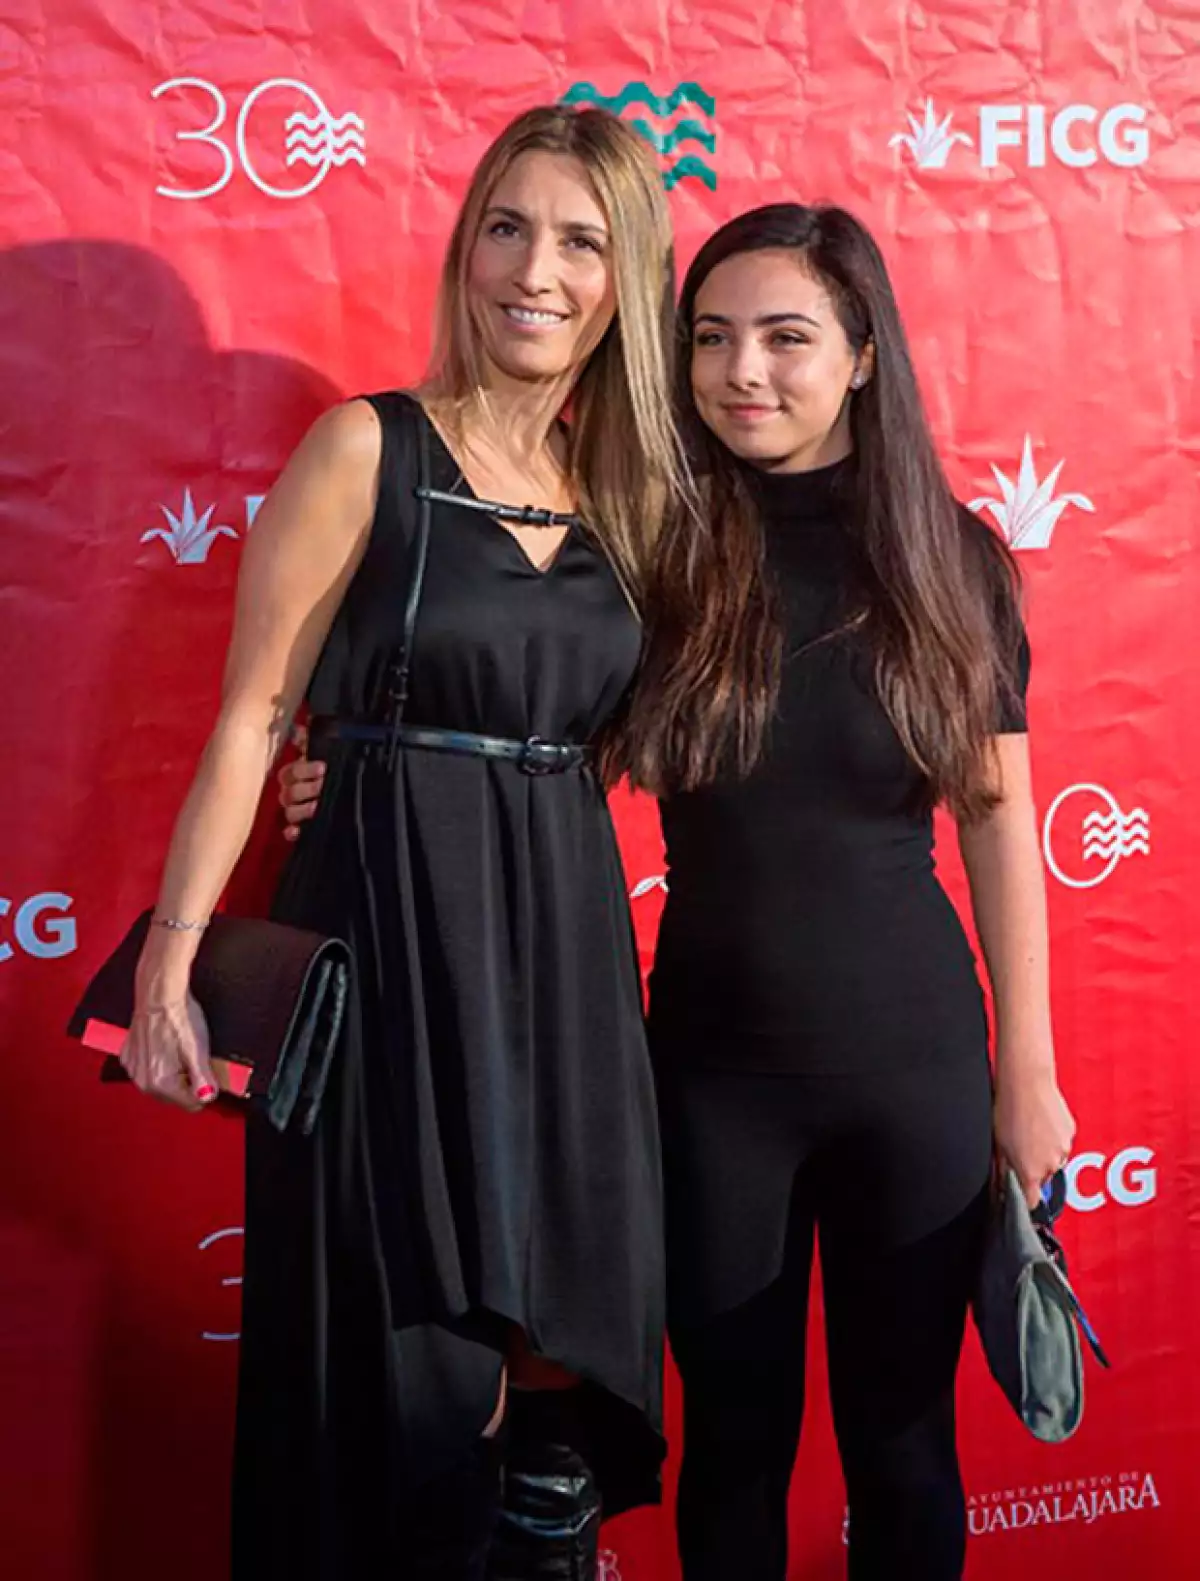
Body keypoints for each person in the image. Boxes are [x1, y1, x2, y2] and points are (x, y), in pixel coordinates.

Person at [279, 201, 1075, 1580]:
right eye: (710, 338)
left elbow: (1002, 825)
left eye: (786, 337)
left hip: (921, 1072)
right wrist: (358, 776)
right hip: (706, 1087)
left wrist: (1032, 1073)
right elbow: (510, 709)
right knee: (737, 1449)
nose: (742, 373)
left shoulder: (954, 561)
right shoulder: (651, 544)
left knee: (904, 1448)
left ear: (864, 354)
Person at [119, 104, 687, 1581]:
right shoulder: (365, 448)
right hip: (380, 954)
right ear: (465, 247)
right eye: (508, 225)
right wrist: (170, 964)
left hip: (561, 974)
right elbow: (254, 716)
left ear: (628, 276)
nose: (535, 270)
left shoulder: (637, 504)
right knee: (391, 1372)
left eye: (579, 239)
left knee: (554, 1386)